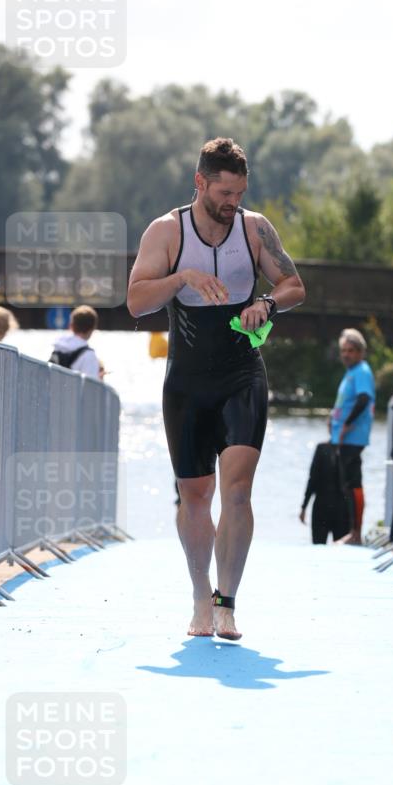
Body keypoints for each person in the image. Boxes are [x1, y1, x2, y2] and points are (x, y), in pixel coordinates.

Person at [127, 137, 305, 641]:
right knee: (195, 497)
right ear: (200, 182)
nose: (233, 202)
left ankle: (227, 602)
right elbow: (137, 301)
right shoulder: (166, 231)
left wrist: (267, 304)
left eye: (240, 192)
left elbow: (295, 285)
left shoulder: (254, 229)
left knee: (239, 490)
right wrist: (182, 276)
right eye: (225, 192)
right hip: (186, 382)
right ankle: (200, 595)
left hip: (241, 373)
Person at [330, 328, 376, 545]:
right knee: (347, 483)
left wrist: (347, 425)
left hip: (353, 437)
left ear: (361, 352)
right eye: (343, 350)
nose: (346, 354)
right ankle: (352, 531)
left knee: (353, 482)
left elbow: (364, 399)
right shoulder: (351, 372)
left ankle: (356, 534)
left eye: (351, 350)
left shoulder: (362, 371)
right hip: (344, 437)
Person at [299, 441, 350, 544]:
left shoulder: (349, 449)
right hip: (324, 507)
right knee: (319, 549)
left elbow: (354, 483)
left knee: (340, 550)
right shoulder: (322, 448)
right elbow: (313, 479)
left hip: (340, 508)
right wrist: (304, 507)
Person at [50, 305, 100, 379]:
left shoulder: (58, 347)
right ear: (92, 329)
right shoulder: (89, 355)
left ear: (71, 326)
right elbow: (91, 388)